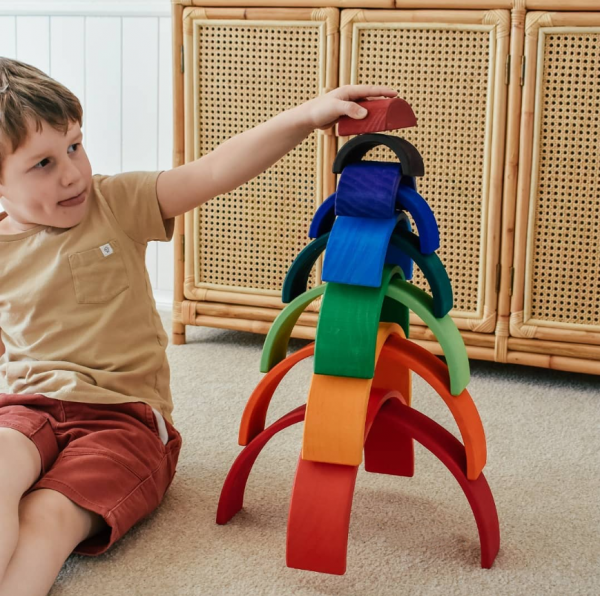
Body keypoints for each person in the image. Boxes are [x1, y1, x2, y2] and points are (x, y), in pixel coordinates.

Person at [0, 55, 397, 595]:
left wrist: (304, 117)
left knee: (46, 518)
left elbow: (212, 171)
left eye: (74, 145)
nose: (72, 172)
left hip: (123, 422)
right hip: (26, 408)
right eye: (42, 163)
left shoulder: (115, 203)